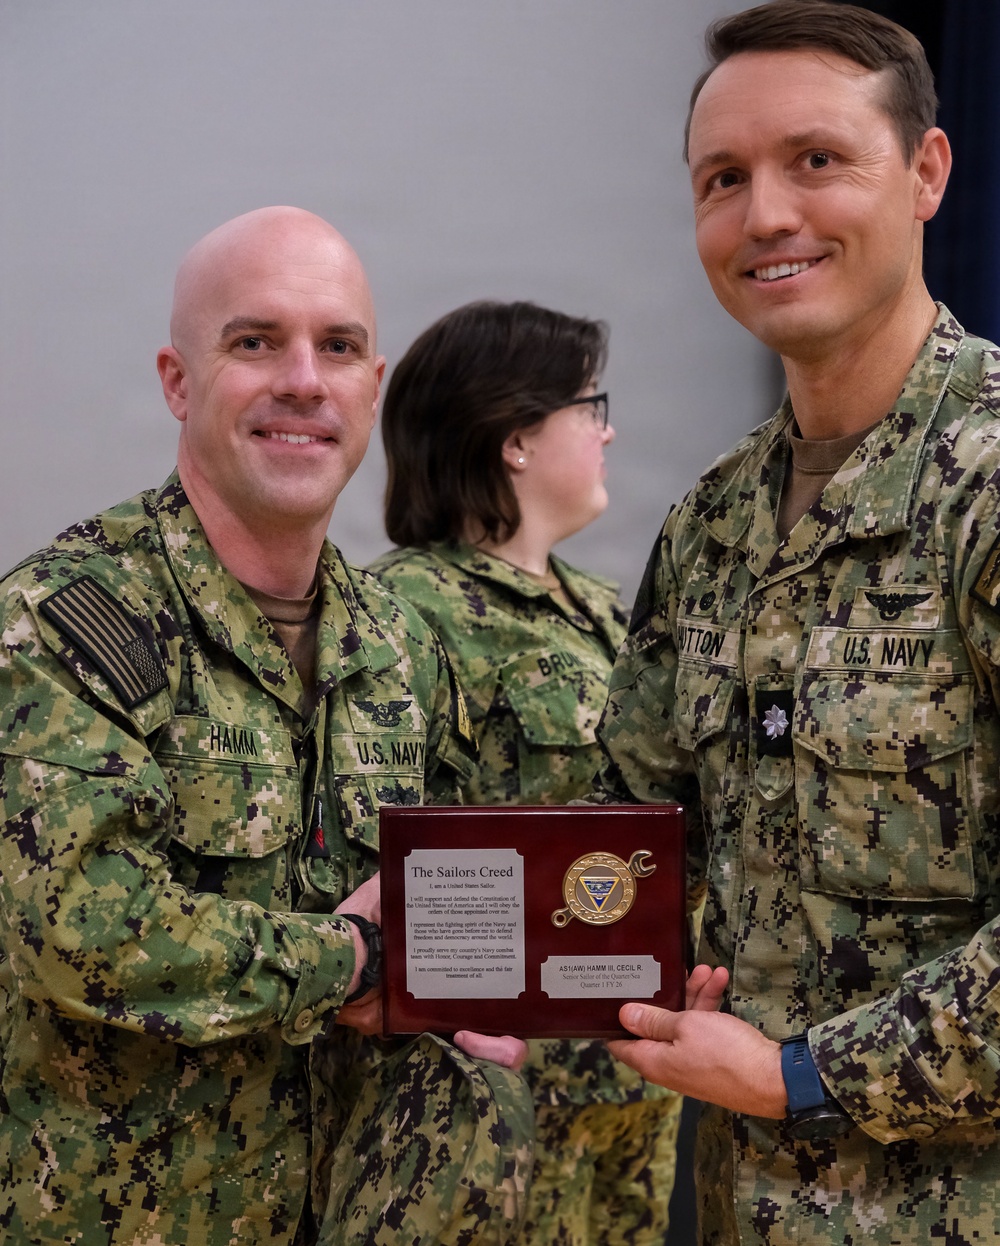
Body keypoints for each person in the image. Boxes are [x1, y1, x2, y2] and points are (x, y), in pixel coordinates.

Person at [0, 206, 530, 1246]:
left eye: (337, 346)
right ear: (177, 381)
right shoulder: (59, 628)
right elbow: (84, 931)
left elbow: (469, 888)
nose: (302, 378)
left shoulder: (404, 643)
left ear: (372, 388)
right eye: (255, 342)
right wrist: (356, 961)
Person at [593, 2, 1000, 1243]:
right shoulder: (717, 521)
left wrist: (798, 1076)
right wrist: (447, 945)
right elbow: (628, 821)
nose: (765, 214)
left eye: (815, 160)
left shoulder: (984, 491)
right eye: (724, 179)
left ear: (927, 172)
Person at [370, 299, 682, 1245]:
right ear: (514, 437)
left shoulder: (603, 609)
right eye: (590, 407)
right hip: (496, 1094)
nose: (608, 428)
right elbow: (380, 843)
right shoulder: (405, 611)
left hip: (629, 1070)